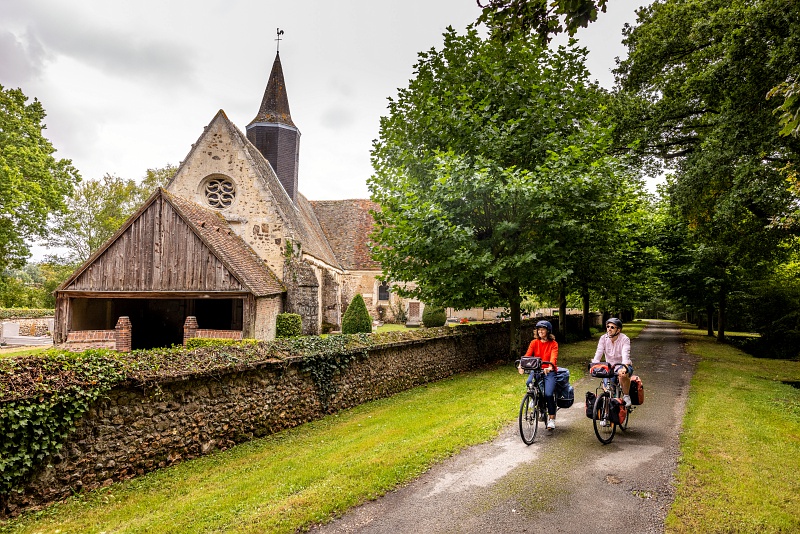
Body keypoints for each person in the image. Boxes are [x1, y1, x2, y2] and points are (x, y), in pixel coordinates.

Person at [518, 320, 559, 430]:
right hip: (536, 370)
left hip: (548, 371)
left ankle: (551, 418)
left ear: (548, 331)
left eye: (543, 329)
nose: (540, 331)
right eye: (539, 329)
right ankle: (534, 398)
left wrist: (550, 367)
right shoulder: (534, 343)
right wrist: (521, 365)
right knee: (528, 382)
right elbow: (527, 356)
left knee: (549, 394)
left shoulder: (553, 344)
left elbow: (553, 357)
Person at [592, 317, 633, 407]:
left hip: (623, 365)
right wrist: (594, 365)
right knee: (607, 389)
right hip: (610, 366)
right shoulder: (603, 338)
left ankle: (626, 396)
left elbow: (625, 354)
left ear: (618, 330)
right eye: (608, 326)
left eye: (612, 327)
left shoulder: (624, 339)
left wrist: (624, 367)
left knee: (622, 375)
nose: (609, 329)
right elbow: (598, 353)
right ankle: (606, 413)